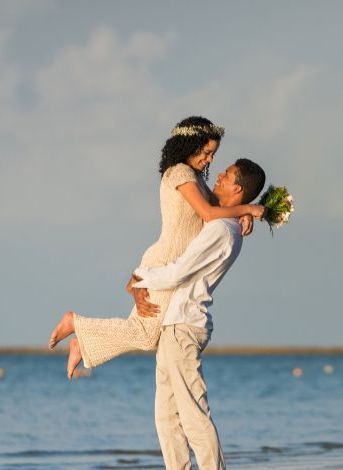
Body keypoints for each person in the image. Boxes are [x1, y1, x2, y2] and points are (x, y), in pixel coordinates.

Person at [48, 117, 264, 378]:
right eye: (206, 152)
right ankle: (76, 325)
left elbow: (218, 208)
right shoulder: (180, 173)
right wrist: (248, 208)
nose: (209, 160)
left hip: (170, 262)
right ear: (190, 144)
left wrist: (243, 214)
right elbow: (208, 213)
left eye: (213, 155)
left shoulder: (193, 176)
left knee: (143, 331)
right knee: (145, 334)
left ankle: (81, 341)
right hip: (165, 260)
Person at [130, 159, 266, 470]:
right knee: (167, 416)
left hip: (184, 325)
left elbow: (180, 272)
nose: (218, 175)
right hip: (175, 324)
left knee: (192, 415)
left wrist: (140, 277)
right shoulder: (225, 222)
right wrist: (248, 211)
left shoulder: (221, 229)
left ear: (238, 188)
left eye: (227, 174)